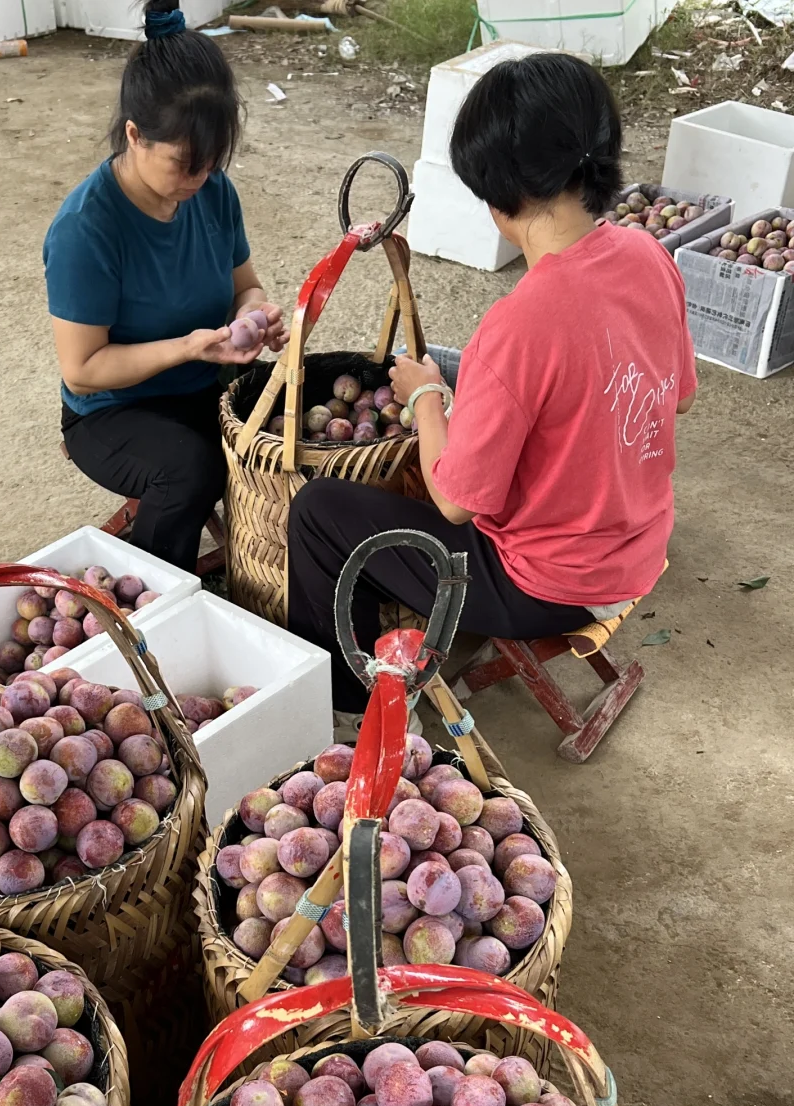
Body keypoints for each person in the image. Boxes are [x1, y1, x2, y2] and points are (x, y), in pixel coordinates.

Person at [287, 53, 696, 730]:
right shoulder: (648, 255)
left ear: (498, 198)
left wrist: (426, 397)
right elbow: (677, 396)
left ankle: (353, 709)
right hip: (639, 543)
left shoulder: (522, 322)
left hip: (548, 585)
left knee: (320, 511)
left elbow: (453, 501)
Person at [43, 0, 287, 573]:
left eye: (210, 162)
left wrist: (256, 317)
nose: (198, 179)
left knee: (290, 422)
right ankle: (145, 604)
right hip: (111, 411)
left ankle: (268, 578)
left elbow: (244, 287)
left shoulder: (212, 191)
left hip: (202, 383)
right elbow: (83, 368)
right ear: (134, 135)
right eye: (184, 164)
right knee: (191, 469)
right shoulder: (87, 229)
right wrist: (189, 346)